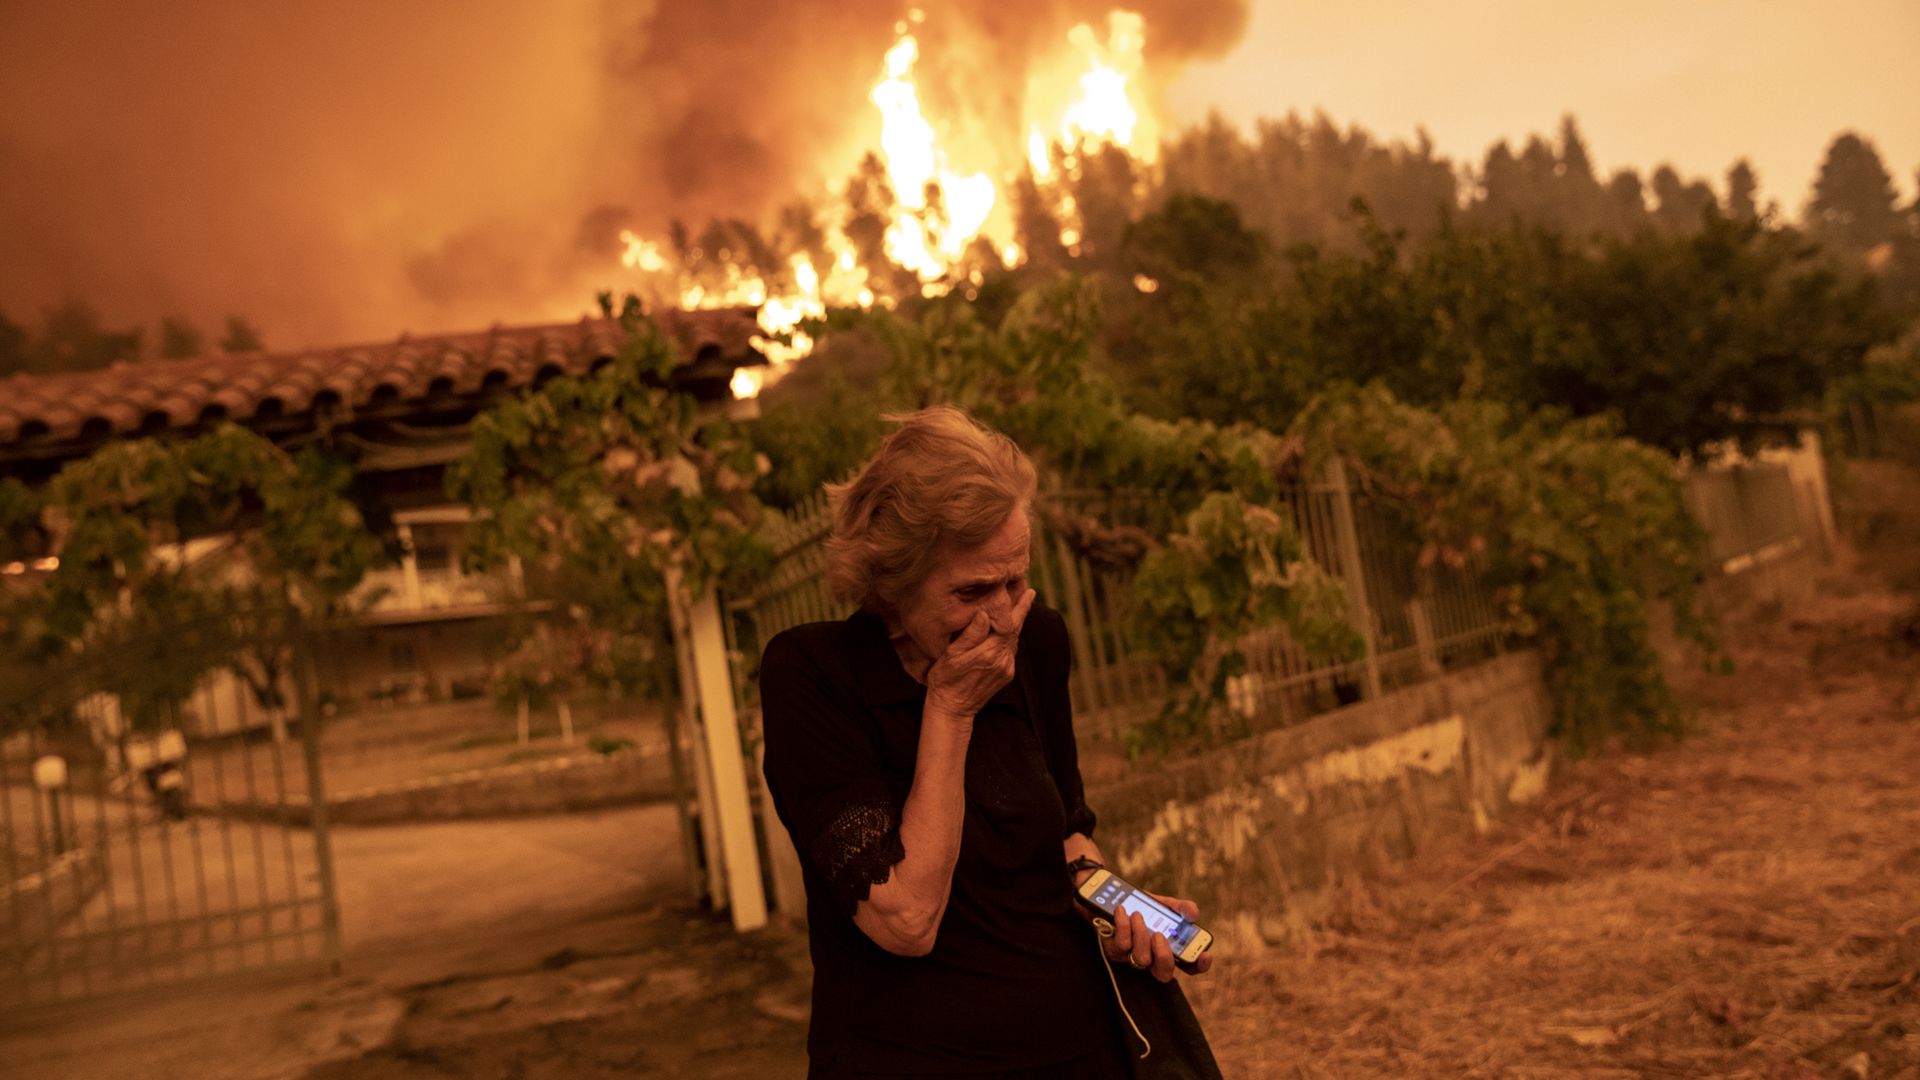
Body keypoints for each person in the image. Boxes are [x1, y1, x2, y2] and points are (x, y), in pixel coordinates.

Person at [760, 406, 1212, 1078]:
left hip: (1083, 1050)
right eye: (973, 590)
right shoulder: (814, 676)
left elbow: (1066, 841)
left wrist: (1121, 915)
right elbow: (907, 919)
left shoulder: (1036, 643)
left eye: (1015, 580)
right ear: (892, 579)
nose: (1003, 615)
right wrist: (949, 708)